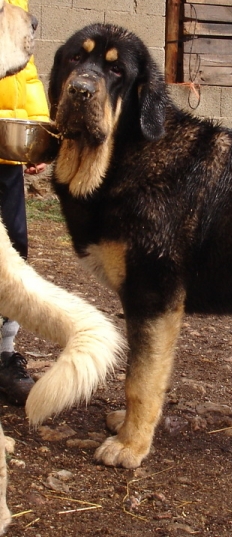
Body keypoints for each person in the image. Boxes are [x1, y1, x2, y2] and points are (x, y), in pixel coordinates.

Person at [0, 0, 49, 405]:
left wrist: (34, 135)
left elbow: (26, 75)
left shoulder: (15, 2)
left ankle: (4, 352)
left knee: (14, 247)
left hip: (3, 151)